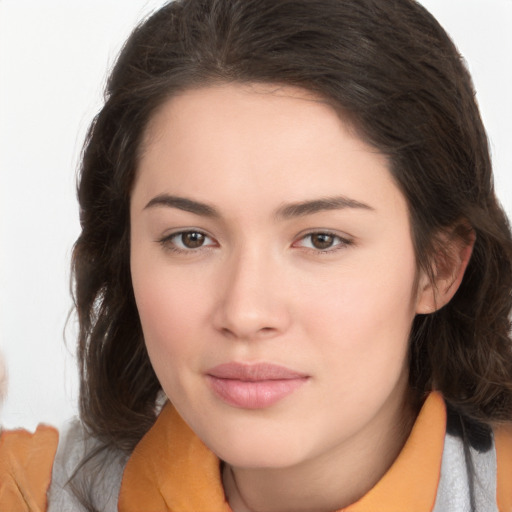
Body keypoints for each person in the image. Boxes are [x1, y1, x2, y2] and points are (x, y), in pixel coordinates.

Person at [1, 0, 512, 510]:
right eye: (190, 238)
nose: (245, 313)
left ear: (438, 267)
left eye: (321, 240)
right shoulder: (32, 493)